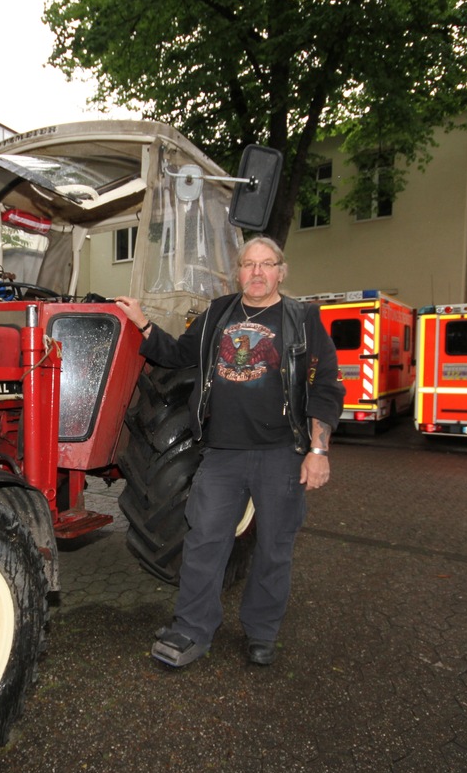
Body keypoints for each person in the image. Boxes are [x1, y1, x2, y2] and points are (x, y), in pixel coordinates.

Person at [113, 236, 344, 667]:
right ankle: (192, 629)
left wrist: (318, 448)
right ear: (237, 272)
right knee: (203, 543)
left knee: (274, 548)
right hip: (222, 454)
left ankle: (261, 631)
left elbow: (326, 387)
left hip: (281, 453)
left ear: (281, 271)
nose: (257, 272)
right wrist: (143, 324)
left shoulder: (303, 318)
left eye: (266, 264)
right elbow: (180, 355)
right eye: (248, 264)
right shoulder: (218, 313)